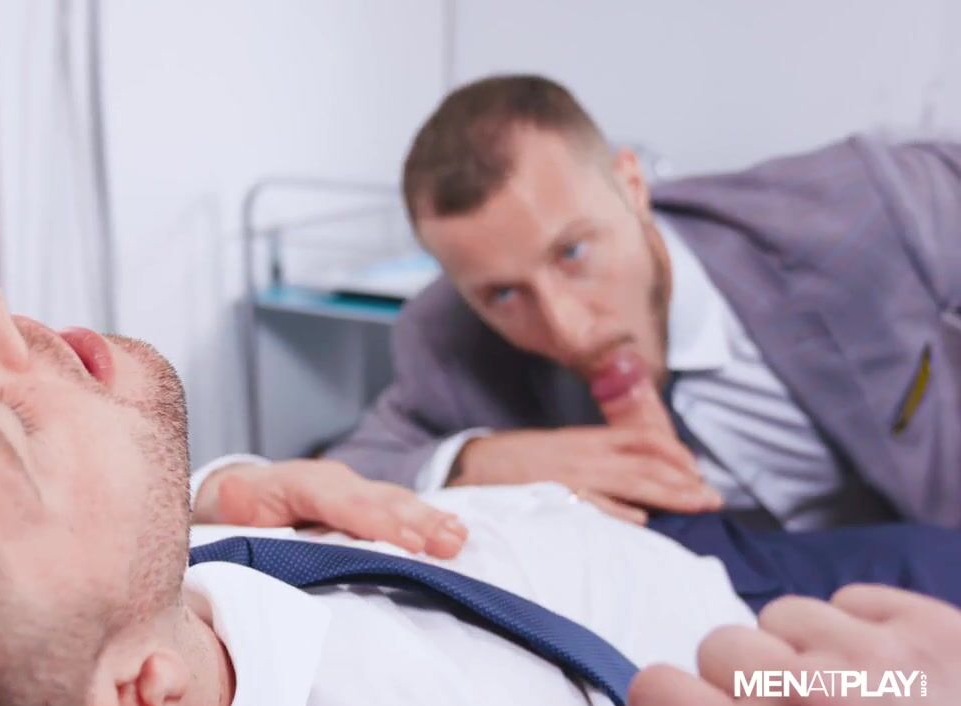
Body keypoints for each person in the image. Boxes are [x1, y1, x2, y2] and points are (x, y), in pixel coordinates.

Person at [0, 283, 958, 706]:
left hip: (671, 545)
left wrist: (203, 496)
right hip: (781, 659)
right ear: (141, 696)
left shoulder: (100, 607)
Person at [325, 74, 961, 532]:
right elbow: (348, 469)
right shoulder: (448, 336)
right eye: (504, 294)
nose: (569, 330)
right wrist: (481, 460)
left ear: (632, 186)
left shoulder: (863, 208)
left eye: (572, 253)